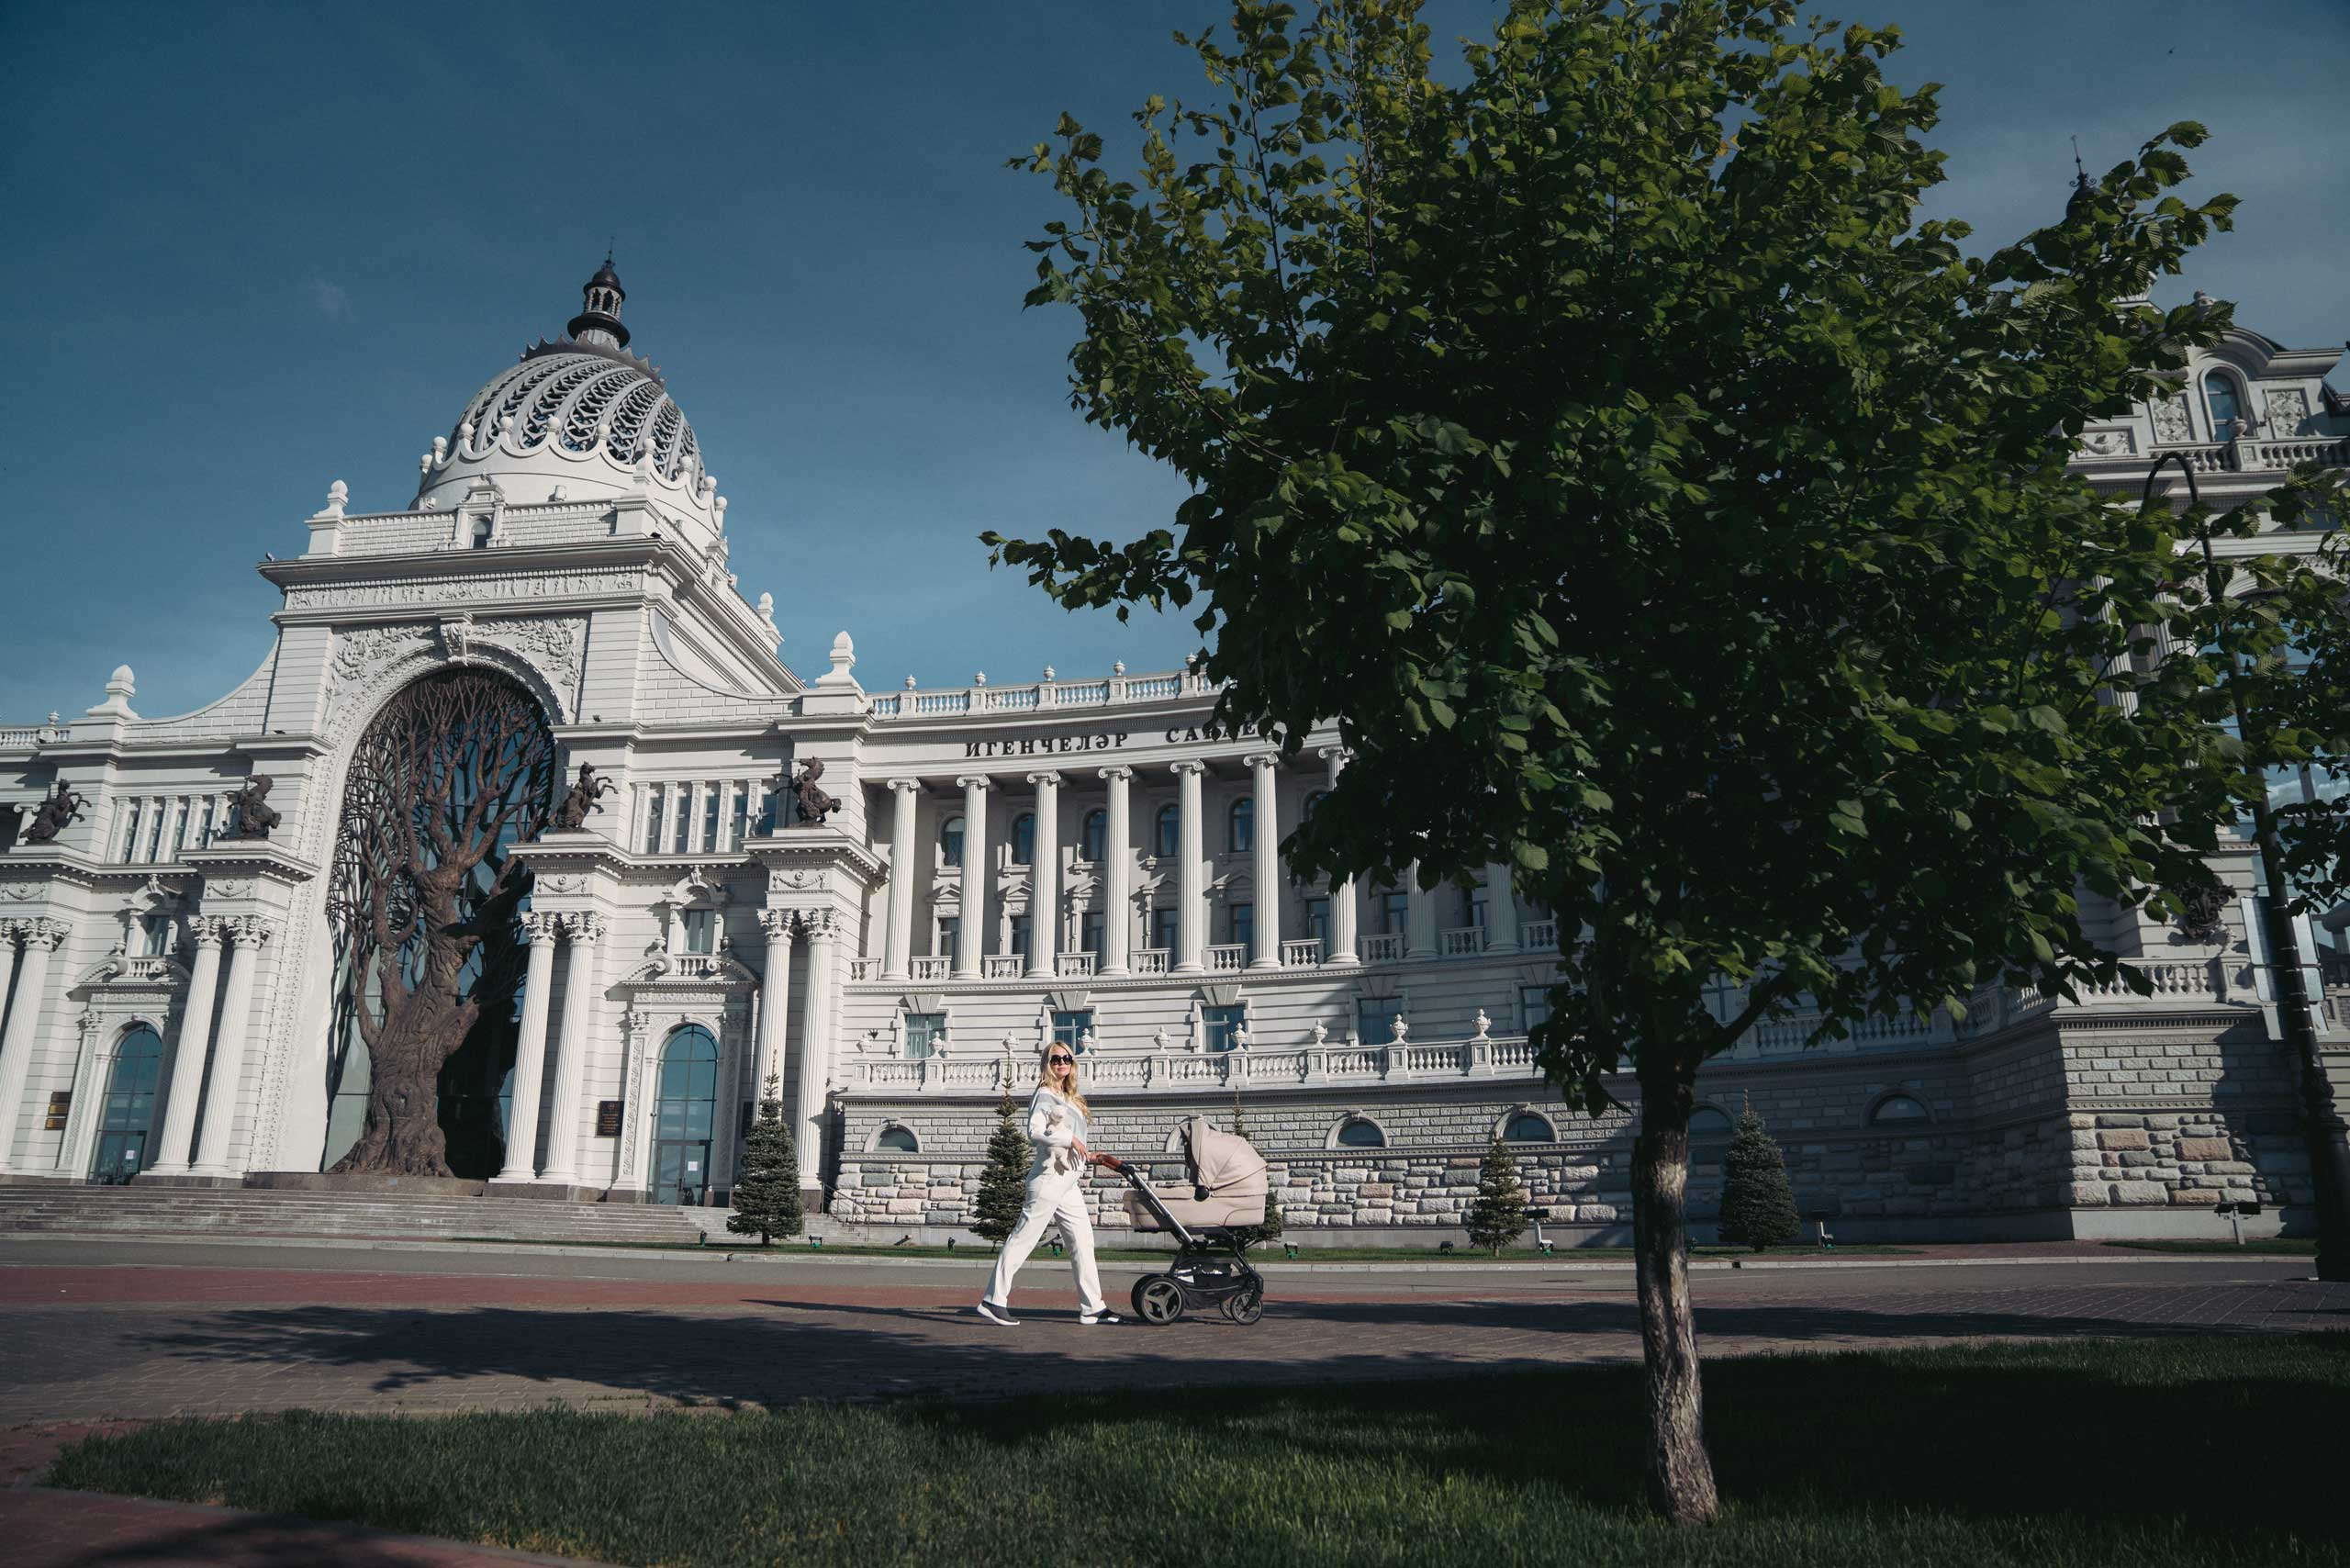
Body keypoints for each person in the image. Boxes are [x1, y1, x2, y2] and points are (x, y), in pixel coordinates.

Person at [975, 1044, 1120, 1326]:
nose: (1062, 1063)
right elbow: (1035, 1133)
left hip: (1068, 1181)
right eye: (1056, 1059)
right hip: (1048, 1178)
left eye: (1067, 1058)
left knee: (1082, 1241)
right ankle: (993, 1300)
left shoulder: (1069, 1097)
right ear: (1047, 1063)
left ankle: (1092, 1307)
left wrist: (1088, 1154)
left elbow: (1070, 1138)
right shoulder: (1045, 1094)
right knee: (1023, 1238)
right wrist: (1070, 1141)